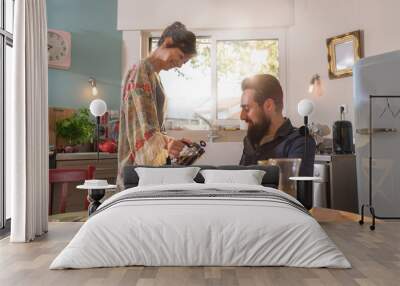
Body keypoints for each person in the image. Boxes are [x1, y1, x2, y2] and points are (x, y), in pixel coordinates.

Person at [117, 22, 197, 188]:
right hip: (138, 169)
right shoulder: (141, 70)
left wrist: (172, 143)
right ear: (167, 42)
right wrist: (168, 142)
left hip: (149, 169)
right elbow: (142, 127)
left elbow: (154, 127)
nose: (181, 64)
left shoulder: (154, 76)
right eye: (181, 56)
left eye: (185, 62)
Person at [239, 74, 316, 176]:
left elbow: (294, 189)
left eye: (247, 109)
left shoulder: (300, 142)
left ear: (269, 105)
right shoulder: (250, 140)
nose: (242, 116)